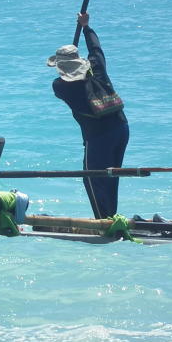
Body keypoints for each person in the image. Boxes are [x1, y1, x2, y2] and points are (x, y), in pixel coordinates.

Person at [48, 13, 129, 218]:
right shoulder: (97, 68)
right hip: (121, 127)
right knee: (111, 175)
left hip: (98, 136)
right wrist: (86, 27)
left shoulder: (60, 87)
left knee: (92, 177)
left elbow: (66, 79)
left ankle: (103, 221)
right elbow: (96, 49)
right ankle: (111, 216)